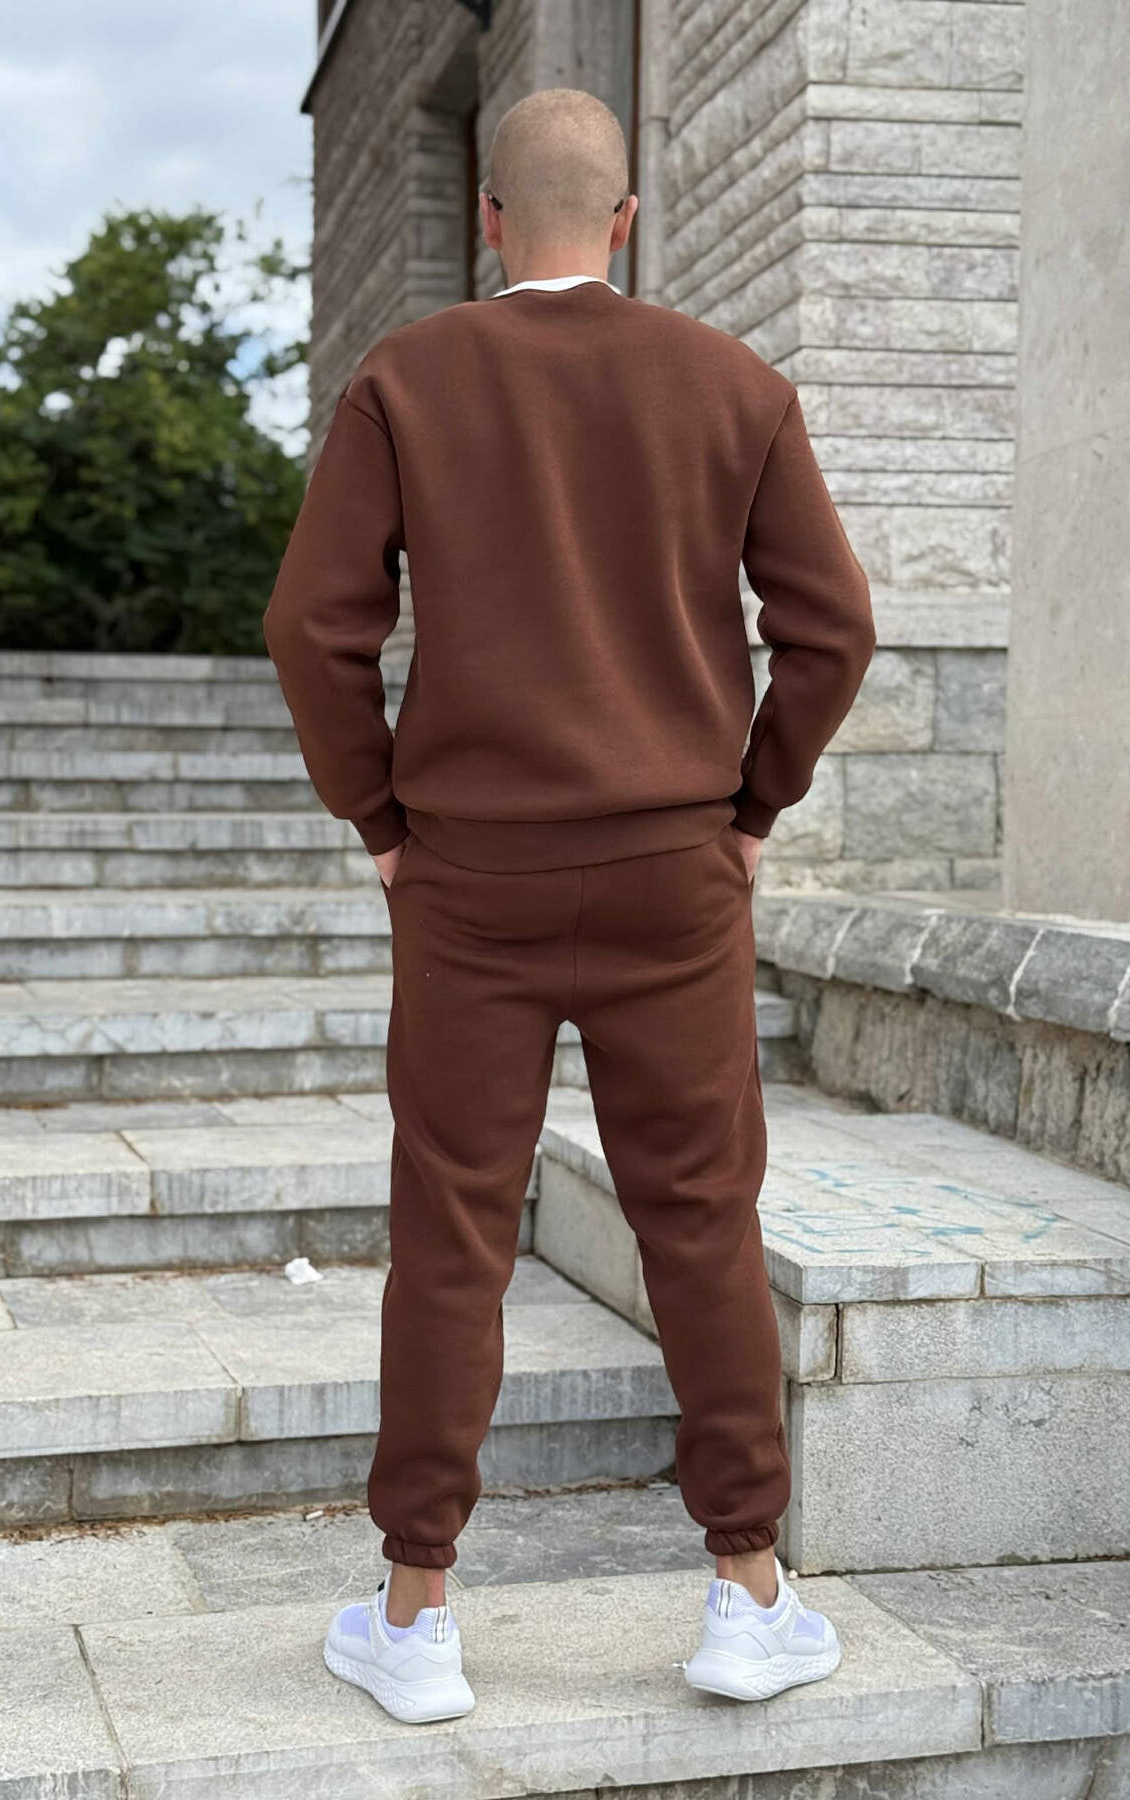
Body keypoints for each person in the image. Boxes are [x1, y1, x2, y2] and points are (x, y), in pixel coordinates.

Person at [264, 86, 875, 1725]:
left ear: (487, 220)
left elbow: (313, 627)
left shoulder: (405, 379)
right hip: (677, 872)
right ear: (626, 219)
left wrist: (379, 819)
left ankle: (416, 1616)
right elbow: (832, 630)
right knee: (702, 1217)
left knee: (452, 1229)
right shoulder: (734, 386)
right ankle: (747, 1594)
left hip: (470, 877)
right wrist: (752, 805)